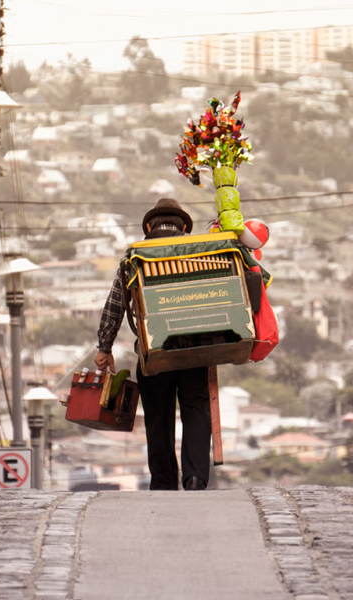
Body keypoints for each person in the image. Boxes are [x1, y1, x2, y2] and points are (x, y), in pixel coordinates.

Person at [94, 198, 211, 491]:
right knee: (195, 410)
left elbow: (115, 305)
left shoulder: (135, 258)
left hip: (153, 351)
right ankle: (195, 477)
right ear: (184, 227)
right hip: (195, 350)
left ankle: (163, 481)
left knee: (158, 416)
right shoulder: (201, 254)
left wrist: (104, 347)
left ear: (149, 226)